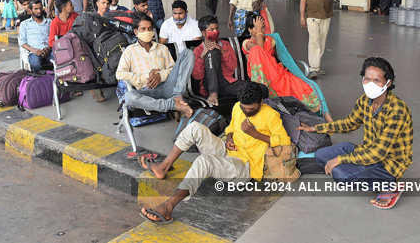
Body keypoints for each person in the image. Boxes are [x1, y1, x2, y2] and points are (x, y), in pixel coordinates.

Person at [139, 81, 291, 225]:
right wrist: (230, 137)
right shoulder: (238, 107)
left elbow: (284, 141)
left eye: (251, 109)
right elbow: (231, 127)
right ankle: (164, 167)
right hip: (227, 150)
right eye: (244, 108)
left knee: (203, 161)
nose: (246, 111)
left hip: (244, 167)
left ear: (261, 103)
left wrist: (254, 133)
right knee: (195, 128)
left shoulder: (271, 115)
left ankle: (168, 207)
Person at [301, 57, 413, 210]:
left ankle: (391, 184)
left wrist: (341, 159)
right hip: (366, 151)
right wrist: (317, 128)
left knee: (343, 176)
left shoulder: (397, 110)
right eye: (367, 79)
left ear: (388, 83)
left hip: (388, 164)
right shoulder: (364, 101)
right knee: (321, 155)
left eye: (377, 80)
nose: (370, 84)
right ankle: (357, 169)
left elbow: (378, 153)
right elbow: (350, 123)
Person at [242, 14, 327, 117]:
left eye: (263, 26)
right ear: (250, 30)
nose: (261, 30)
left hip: (277, 73)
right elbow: (260, 51)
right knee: (256, 51)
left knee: (305, 86)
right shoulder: (247, 43)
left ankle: (322, 114)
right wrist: (260, 31)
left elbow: (284, 58)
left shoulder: (271, 40)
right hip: (263, 77)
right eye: (257, 27)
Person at [116, 14, 194, 116]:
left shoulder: (162, 48)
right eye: (143, 29)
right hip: (147, 91)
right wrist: (146, 77)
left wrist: (160, 76)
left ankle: (177, 97)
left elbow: (173, 69)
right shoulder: (130, 51)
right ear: (136, 32)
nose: (147, 32)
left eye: (149, 29)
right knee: (129, 97)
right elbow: (120, 74)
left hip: (167, 87)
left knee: (188, 53)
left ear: (153, 31)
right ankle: (172, 105)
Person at [299, 0, 340, 78]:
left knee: (321, 42)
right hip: (311, 15)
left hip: (326, 14)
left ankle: (317, 66)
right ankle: (313, 69)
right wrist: (302, 16)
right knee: (314, 41)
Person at [192, 15, 245, 106]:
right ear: (204, 33)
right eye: (211, 29)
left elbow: (232, 67)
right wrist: (202, 57)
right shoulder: (198, 50)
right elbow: (197, 76)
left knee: (259, 89)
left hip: (226, 83)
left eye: (216, 28)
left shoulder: (225, 45)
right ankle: (213, 93)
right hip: (208, 85)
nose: (215, 31)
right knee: (212, 52)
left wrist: (222, 51)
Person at [19, 0, 52, 72]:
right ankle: (39, 81)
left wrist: (48, 49)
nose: (39, 11)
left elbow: (53, 38)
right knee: (35, 63)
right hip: (34, 52)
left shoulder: (49, 22)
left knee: (61, 60)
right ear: (30, 11)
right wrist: (34, 50)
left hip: (48, 51)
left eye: (40, 8)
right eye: (36, 9)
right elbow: (22, 42)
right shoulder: (24, 24)